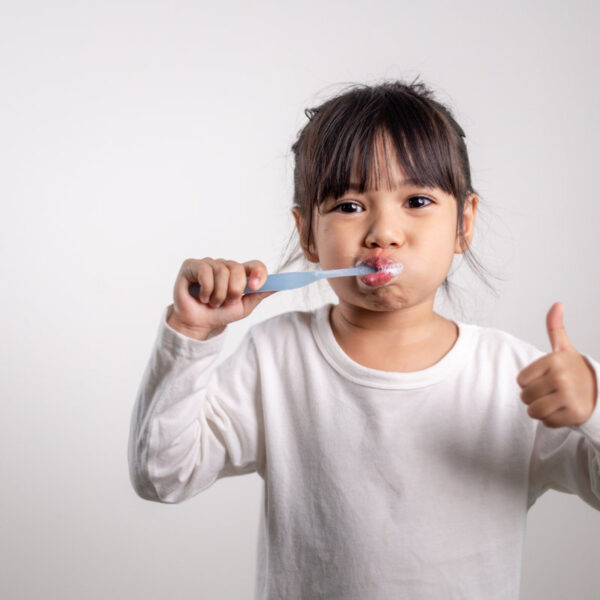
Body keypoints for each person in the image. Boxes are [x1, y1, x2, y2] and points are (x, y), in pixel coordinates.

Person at [128, 79, 600, 599]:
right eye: (350, 206)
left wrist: (592, 406)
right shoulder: (277, 358)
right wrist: (192, 333)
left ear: (464, 223)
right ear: (307, 233)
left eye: (417, 200)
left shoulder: (513, 377)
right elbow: (162, 475)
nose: (383, 232)